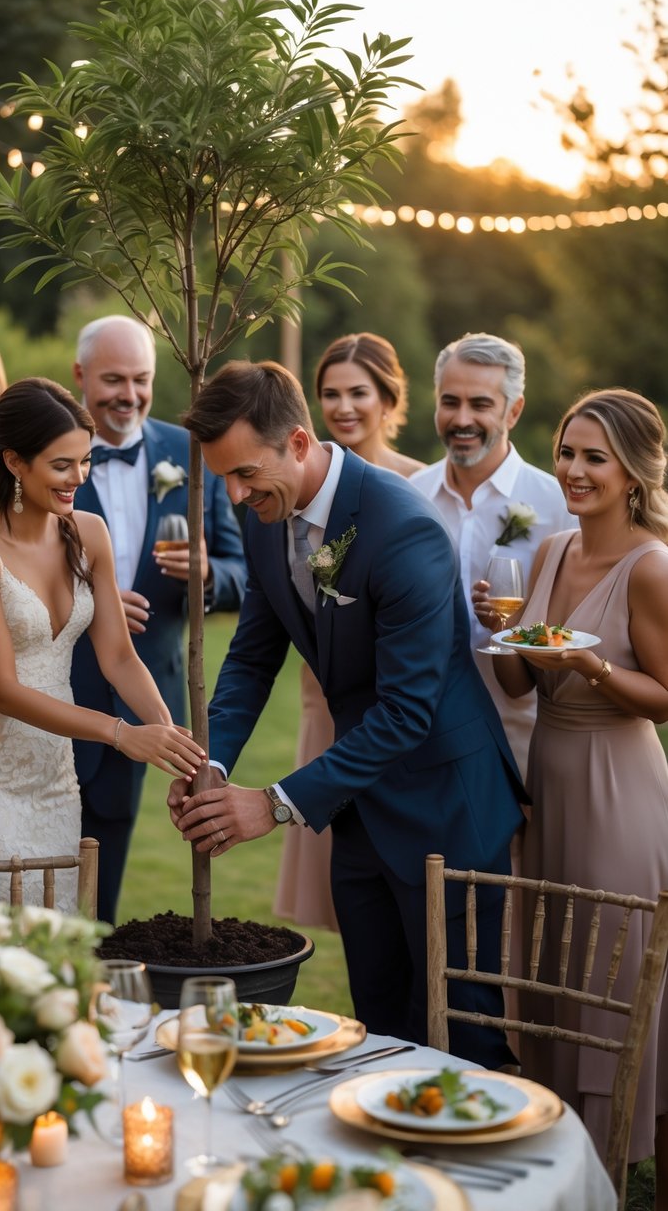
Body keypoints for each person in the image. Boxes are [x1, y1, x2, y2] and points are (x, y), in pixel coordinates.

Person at [169, 359, 525, 1066]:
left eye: (244, 475)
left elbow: (406, 711)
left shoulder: (404, 529)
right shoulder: (268, 520)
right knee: (381, 1026)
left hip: (447, 811)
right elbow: (248, 658)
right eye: (225, 480)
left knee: (463, 1034)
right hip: (360, 814)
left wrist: (270, 805)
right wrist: (210, 763)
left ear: (297, 444)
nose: (237, 496)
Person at [480, 388, 668, 1188]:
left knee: (610, 972)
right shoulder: (550, 551)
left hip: (619, 788)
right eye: (566, 452)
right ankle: (560, 1151)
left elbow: (665, 695)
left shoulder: (650, 566)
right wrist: (501, 634)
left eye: (594, 457)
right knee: (552, 966)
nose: (574, 470)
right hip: (549, 779)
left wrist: (594, 665)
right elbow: (522, 685)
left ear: (632, 472)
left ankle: (617, 1143)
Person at [0, 378, 205, 911]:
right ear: (14, 462)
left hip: (53, 776)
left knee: (56, 930)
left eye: (85, 461)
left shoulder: (89, 533)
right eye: (62, 465)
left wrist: (170, 740)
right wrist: (121, 733)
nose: (79, 477)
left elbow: (119, 657)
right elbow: (3, 690)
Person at [70, 315, 246, 922]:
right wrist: (87, 602)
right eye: (113, 379)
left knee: (104, 877)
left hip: (149, 696)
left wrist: (207, 574)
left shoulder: (191, 452)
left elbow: (239, 574)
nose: (129, 395)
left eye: (140, 380)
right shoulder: (50, 455)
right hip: (56, 689)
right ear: (80, 376)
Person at [274, 332, 424, 932]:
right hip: (323, 705)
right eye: (330, 394)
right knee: (345, 893)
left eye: (358, 392)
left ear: (389, 399)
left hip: (392, 704)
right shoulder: (295, 494)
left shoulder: (415, 489)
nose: (343, 406)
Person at [410, 332, 574, 777]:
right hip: (423, 738)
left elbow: (581, 626)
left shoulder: (559, 505)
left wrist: (515, 626)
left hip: (524, 735)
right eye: (450, 401)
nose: (462, 419)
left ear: (513, 410)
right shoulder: (409, 498)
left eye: (480, 404)